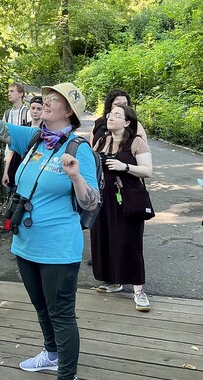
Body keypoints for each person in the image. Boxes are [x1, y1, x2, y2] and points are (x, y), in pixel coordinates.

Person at [0, 74, 100, 380]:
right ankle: (51, 354)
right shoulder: (35, 138)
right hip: (26, 242)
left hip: (58, 248)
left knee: (61, 313)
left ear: (68, 112)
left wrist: (77, 176)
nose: (45, 102)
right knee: (41, 307)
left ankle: (67, 374)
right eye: (46, 98)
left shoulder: (79, 150)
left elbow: (91, 202)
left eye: (54, 99)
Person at [90, 104, 153, 312]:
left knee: (129, 242)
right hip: (102, 198)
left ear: (127, 122)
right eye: (110, 114)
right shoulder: (102, 140)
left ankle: (138, 291)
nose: (111, 117)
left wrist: (124, 167)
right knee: (104, 238)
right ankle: (113, 281)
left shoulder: (136, 142)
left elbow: (147, 170)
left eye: (117, 115)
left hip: (127, 199)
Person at [1, 95, 44, 231]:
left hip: (35, 171)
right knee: (14, 197)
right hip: (17, 168)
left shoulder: (47, 131)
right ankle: (9, 225)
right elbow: (11, 151)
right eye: (33, 108)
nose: (35, 111)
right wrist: (6, 171)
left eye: (39, 108)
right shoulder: (23, 128)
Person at [1, 82, 30, 190]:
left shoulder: (27, 113)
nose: (9, 94)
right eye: (8, 91)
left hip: (23, 156)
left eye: (12, 91)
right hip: (8, 155)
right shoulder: (7, 113)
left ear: (20, 94)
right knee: (8, 186)